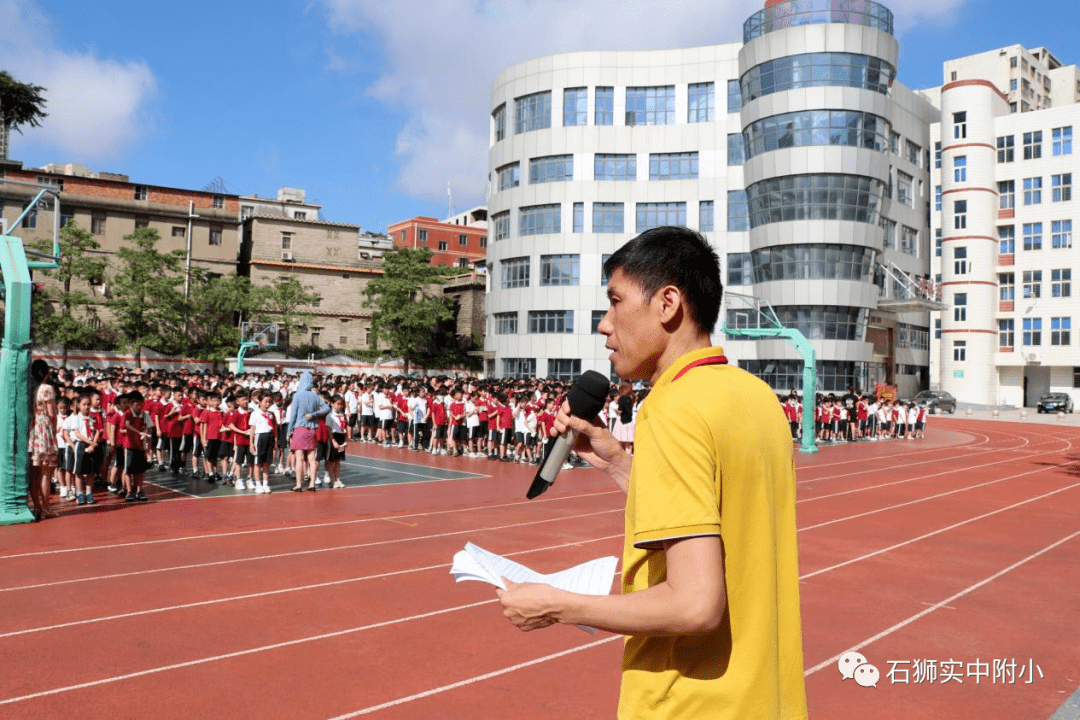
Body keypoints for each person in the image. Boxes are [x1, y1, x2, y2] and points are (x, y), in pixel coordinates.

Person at [496, 226, 808, 720]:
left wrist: (556, 605)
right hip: (764, 700)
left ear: (667, 304)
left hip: (690, 704)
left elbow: (694, 606)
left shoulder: (672, 408)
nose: (604, 324)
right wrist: (619, 462)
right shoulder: (756, 398)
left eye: (615, 301)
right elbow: (717, 515)